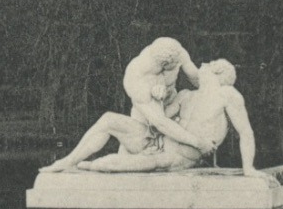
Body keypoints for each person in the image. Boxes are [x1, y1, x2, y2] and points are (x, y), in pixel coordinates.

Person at [40, 37, 217, 174]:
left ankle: (88, 164)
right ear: (163, 65)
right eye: (171, 68)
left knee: (123, 162)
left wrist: (215, 81)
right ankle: (67, 162)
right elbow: (160, 123)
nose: (175, 69)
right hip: (149, 129)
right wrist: (199, 143)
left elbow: (195, 77)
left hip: (174, 121)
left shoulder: (174, 51)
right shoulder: (138, 79)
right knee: (108, 122)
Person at [76, 59, 259, 177]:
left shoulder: (227, 94)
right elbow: (157, 121)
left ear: (218, 72)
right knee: (109, 119)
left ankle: (91, 166)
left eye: (209, 64)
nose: (202, 64)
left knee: (114, 165)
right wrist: (157, 95)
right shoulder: (186, 95)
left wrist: (248, 168)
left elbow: (245, 132)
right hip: (158, 141)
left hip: (177, 155)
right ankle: (71, 161)